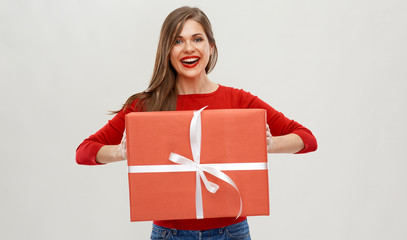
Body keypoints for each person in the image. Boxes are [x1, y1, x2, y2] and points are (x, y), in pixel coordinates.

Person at [76, 6, 317, 240]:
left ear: (211, 47)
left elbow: (306, 139)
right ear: (166, 51)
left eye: (197, 39)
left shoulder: (238, 100)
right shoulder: (146, 105)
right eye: (177, 41)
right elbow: (84, 151)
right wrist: (120, 152)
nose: (188, 48)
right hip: (169, 234)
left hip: (231, 232)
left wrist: (269, 144)